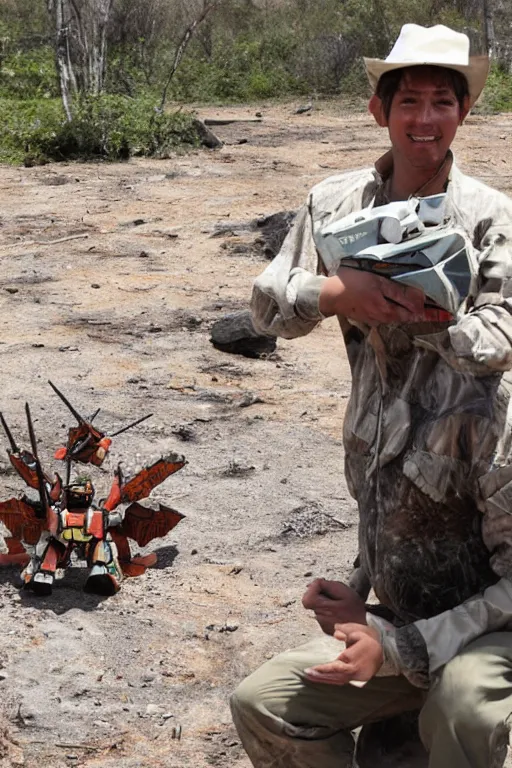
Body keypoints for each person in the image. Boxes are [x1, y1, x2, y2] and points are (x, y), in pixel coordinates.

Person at [230, 23, 512, 768]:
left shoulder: (489, 216)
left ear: (465, 112)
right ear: (377, 111)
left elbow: (499, 337)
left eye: (443, 102)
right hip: (400, 559)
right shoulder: (332, 202)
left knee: (466, 707)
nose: (425, 119)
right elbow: (265, 308)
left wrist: (423, 312)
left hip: (486, 606)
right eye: (409, 100)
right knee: (263, 701)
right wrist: (336, 290)